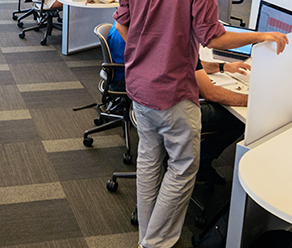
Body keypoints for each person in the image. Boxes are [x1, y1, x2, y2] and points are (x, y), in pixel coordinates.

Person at [114, 0, 288, 248]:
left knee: (150, 160)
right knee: (182, 167)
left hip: (139, 86)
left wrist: (146, 50)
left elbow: (121, 22)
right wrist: (261, 37)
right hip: (172, 91)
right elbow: (213, 37)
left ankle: (149, 238)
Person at [105, 24, 246, 185]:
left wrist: (223, 67)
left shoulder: (134, 25)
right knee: (238, 119)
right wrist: (251, 100)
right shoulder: (165, 40)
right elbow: (210, 93)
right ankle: (201, 161)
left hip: (140, 102)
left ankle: (181, 155)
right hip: (165, 112)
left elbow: (191, 64)